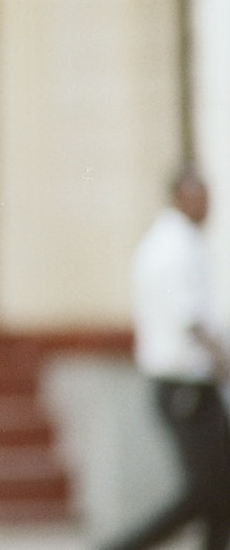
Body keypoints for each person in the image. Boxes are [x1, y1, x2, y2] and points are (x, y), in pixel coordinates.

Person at [105, 165, 230, 550]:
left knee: (218, 492)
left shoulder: (178, 241)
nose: (207, 205)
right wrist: (223, 361)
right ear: (180, 197)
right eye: (199, 197)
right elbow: (190, 319)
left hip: (191, 385)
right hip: (184, 387)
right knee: (209, 490)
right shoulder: (173, 248)